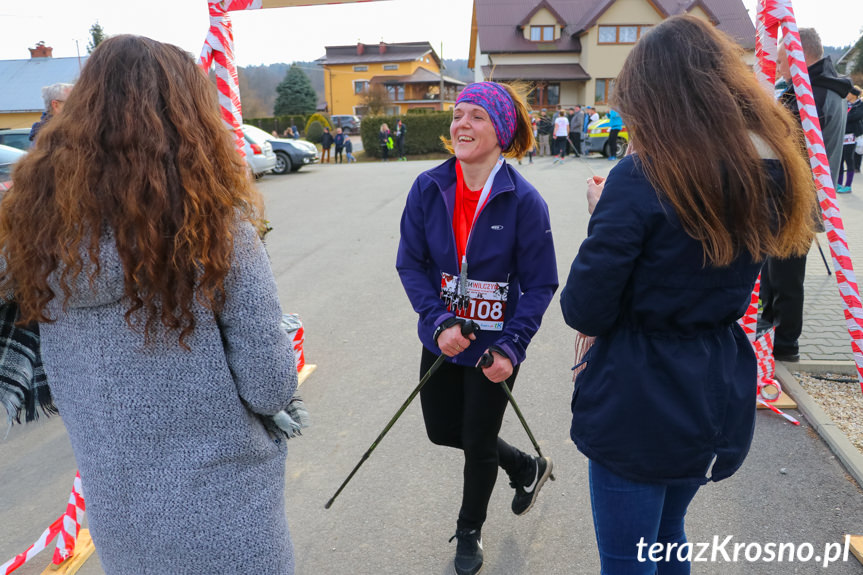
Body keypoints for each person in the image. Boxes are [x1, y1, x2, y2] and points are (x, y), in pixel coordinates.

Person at [0, 35, 298, 574]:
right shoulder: (217, 229)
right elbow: (269, 385)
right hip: (228, 512)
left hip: (121, 514)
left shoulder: (31, 238)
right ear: (190, 120)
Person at [559, 16, 816, 574]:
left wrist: (603, 217)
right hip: (713, 387)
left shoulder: (644, 176)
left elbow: (585, 307)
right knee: (669, 533)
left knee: (627, 561)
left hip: (639, 398)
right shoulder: (769, 170)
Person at [396, 81, 558, 575]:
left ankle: (470, 531)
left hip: (495, 350)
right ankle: (524, 465)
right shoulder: (429, 187)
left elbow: (541, 284)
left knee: (478, 438)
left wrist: (512, 346)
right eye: (458, 114)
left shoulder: (523, 201)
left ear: (501, 130)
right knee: (443, 429)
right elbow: (410, 264)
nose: (461, 124)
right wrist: (438, 319)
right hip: (444, 338)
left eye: (477, 117)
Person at [760, 27, 852, 361]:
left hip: (795, 199)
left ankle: (785, 345)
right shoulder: (822, 89)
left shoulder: (812, 93)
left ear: (801, 55)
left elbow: (782, 141)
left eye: (783, 60)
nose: (780, 68)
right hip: (796, 196)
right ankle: (769, 328)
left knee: (785, 275)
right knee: (774, 270)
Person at [838, 86, 863, 193]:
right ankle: (838, 184)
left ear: (853, 94)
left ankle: (848, 185)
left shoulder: (860, 105)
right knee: (839, 161)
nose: (846, 95)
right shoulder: (843, 103)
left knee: (849, 160)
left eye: (848, 93)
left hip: (851, 136)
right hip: (841, 134)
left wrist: (842, 116)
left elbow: (853, 117)